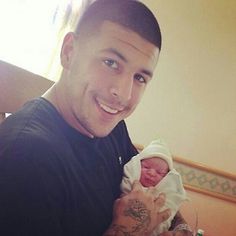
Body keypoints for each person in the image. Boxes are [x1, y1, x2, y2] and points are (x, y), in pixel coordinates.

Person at [0, 0, 191, 235]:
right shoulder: (26, 156)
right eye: (110, 63)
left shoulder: (114, 129)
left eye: (140, 77)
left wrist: (181, 227)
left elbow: (158, 187)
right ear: (69, 51)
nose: (123, 94)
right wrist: (127, 230)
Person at [121, 139, 192, 235]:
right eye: (146, 167)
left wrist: (183, 228)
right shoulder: (130, 181)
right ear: (137, 165)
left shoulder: (163, 192)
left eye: (159, 172)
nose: (151, 173)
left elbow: (170, 208)